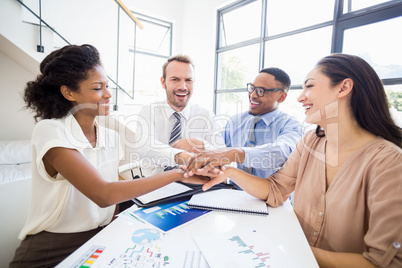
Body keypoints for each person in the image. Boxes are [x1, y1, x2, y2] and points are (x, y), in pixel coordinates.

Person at [190, 54, 402, 267]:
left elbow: (381, 263)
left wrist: (289, 247)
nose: (300, 97)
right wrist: (229, 172)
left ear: (343, 87)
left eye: (309, 86)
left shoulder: (389, 163)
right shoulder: (310, 142)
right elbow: (275, 189)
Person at [10, 44, 207, 268]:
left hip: (100, 238)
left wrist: (117, 229)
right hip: (53, 246)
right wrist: (179, 173)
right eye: (97, 88)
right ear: (69, 92)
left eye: (107, 86)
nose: (107, 94)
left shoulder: (111, 138)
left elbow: (112, 198)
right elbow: (103, 193)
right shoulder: (50, 130)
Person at [186, 67, 301, 179]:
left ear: (281, 97)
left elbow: (280, 154)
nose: (253, 95)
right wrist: (201, 147)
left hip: (272, 197)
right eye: (252, 88)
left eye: (261, 91)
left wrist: (236, 154)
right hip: (231, 191)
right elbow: (218, 150)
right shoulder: (235, 121)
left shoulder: (292, 126)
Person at [135, 55, 225, 171]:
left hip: (198, 185)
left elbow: (224, 158)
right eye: (175, 79)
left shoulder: (206, 115)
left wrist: (201, 144)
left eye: (188, 80)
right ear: (163, 82)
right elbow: (145, 146)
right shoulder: (149, 111)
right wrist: (182, 156)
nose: (183, 87)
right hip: (157, 184)